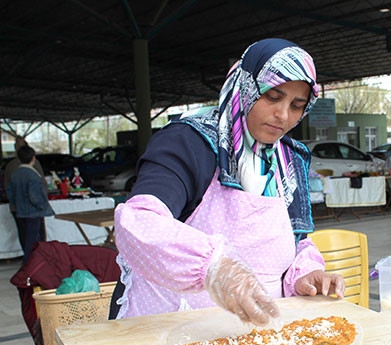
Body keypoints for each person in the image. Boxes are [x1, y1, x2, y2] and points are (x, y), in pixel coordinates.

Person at [112, 38, 345, 328]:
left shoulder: (289, 160)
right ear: (245, 86)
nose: (283, 115)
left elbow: (296, 240)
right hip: (172, 327)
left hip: (257, 334)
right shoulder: (189, 143)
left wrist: (305, 274)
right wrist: (212, 267)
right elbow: (137, 221)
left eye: (296, 106)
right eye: (272, 96)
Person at [6, 145, 55, 264]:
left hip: (21, 211)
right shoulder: (33, 175)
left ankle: (33, 263)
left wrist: (17, 205)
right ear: (33, 158)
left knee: (26, 238)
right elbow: (35, 196)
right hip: (33, 212)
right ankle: (30, 264)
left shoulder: (15, 174)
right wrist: (43, 206)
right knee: (34, 241)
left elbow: (10, 193)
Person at [4, 137, 47, 251]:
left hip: (17, 208)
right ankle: (36, 260)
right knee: (36, 237)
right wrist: (43, 205)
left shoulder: (10, 166)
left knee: (24, 235)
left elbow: (8, 189)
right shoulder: (33, 166)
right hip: (32, 209)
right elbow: (41, 186)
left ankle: (29, 259)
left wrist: (16, 203)